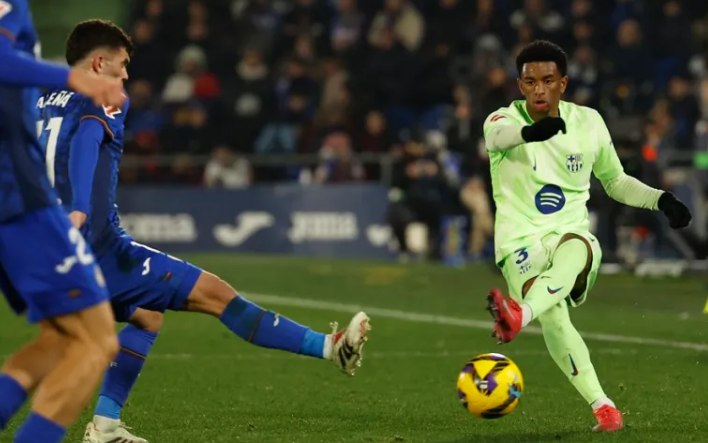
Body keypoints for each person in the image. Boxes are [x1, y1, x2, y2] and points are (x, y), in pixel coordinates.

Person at [36, 20, 371, 443]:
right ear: (99, 63)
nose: (126, 75)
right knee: (217, 294)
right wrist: (80, 210)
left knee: (147, 315)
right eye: (122, 64)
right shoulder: (104, 93)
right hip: (97, 249)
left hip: (50, 249)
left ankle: (105, 427)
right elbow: (87, 140)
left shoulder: (43, 99)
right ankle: (330, 348)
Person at [483, 40, 691, 433]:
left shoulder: (589, 122)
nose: (539, 89)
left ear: (563, 83)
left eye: (548, 80)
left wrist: (661, 200)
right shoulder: (502, 119)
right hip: (519, 244)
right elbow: (497, 138)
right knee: (554, 317)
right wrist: (531, 133)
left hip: (568, 237)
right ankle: (605, 408)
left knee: (579, 244)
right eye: (530, 82)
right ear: (520, 85)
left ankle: (519, 315)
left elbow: (615, 181)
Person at [0, 2, 126, 442]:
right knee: (95, 340)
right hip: (19, 199)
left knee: (59, 338)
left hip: (15, 199)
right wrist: (75, 78)